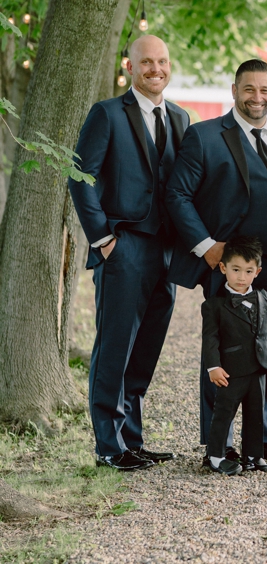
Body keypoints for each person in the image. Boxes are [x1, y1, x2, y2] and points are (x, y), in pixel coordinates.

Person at [166, 58, 267, 466]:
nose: (257, 98)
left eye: (265, 90)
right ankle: (219, 446)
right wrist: (208, 246)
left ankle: (261, 440)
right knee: (225, 353)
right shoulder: (205, 136)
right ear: (234, 91)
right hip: (227, 268)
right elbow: (177, 195)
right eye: (249, 89)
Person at [69, 35, 190, 471]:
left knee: (146, 348)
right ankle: (107, 445)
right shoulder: (107, 113)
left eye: (162, 61)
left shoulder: (180, 117)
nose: (155, 69)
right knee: (115, 346)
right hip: (125, 245)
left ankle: (132, 439)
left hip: (167, 252)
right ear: (130, 67)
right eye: (146, 63)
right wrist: (103, 240)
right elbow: (79, 177)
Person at [201, 236, 267, 476]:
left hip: (259, 366)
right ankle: (216, 455)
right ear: (224, 268)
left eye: (248, 271)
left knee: (256, 412)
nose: (241, 277)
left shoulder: (263, 296)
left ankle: (253, 455)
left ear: (257, 272)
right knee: (224, 412)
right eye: (236, 270)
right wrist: (213, 366)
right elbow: (210, 339)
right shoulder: (214, 305)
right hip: (230, 370)